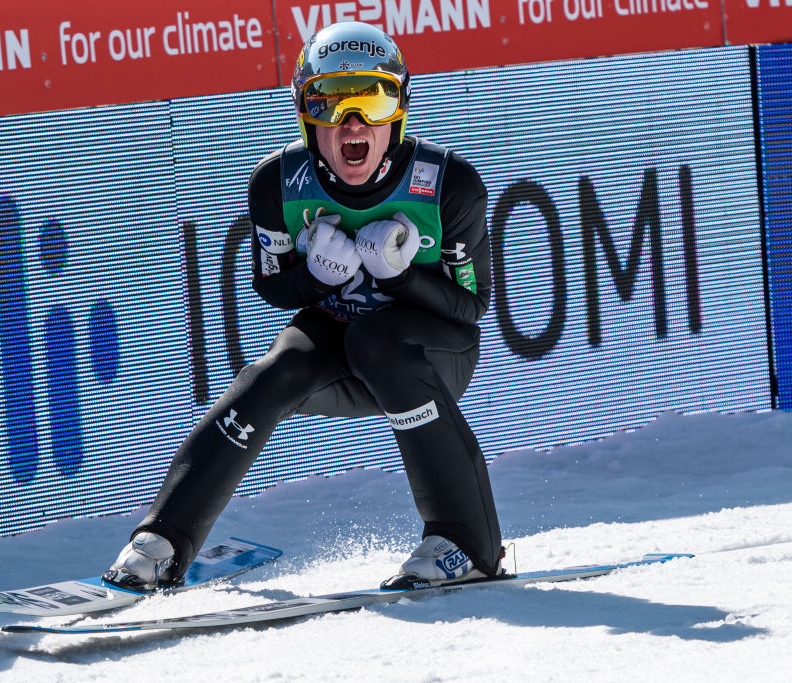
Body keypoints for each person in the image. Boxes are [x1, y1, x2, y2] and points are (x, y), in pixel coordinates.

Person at [105, 21, 502, 591]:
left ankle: (468, 545)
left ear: (399, 109)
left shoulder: (449, 185)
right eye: (330, 102)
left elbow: (470, 306)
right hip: (336, 337)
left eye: (372, 98)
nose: (353, 123)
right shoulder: (277, 182)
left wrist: (400, 279)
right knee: (270, 372)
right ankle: (162, 541)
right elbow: (273, 287)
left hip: (429, 350)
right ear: (305, 113)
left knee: (379, 341)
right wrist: (316, 279)